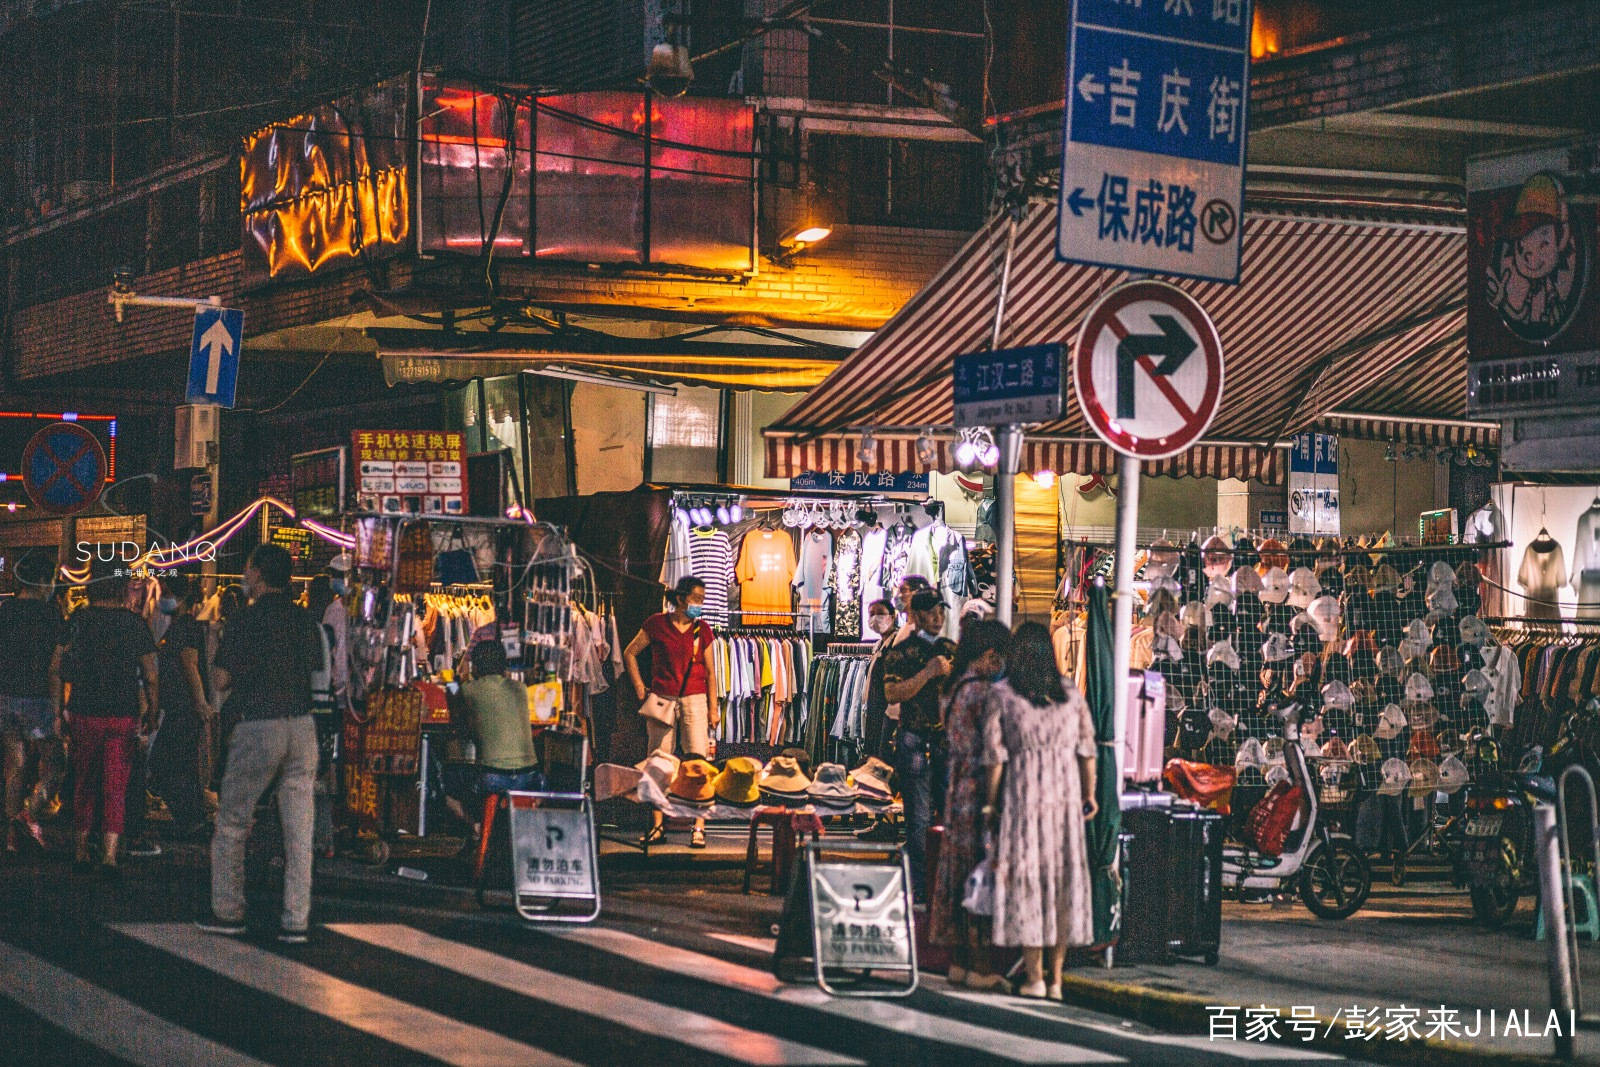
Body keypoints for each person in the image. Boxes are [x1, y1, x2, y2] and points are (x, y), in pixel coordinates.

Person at [197, 544, 323, 943]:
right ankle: (296, 920)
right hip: (303, 726)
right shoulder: (305, 621)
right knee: (299, 831)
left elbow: (220, 681)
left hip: (259, 726)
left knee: (233, 821)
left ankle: (229, 911)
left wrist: (214, 643)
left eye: (248, 570)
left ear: (258, 575)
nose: (244, 577)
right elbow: (317, 675)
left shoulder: (245, 621)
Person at [983, 621, 1098, 1000]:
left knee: (1029, 882)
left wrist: (991, 802)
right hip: (1064, 799)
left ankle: (1033, 976)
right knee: (1062, 883)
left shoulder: (1002, 695)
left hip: (1023, 796)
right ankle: (1057, 979)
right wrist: (1090, 794)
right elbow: (1087, 750)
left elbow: (995, 757)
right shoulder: (1069, 695)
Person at [930, 617, 1011, 991]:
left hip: (956, 788)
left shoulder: (952, 687)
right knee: (981, 874)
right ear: (990, 655)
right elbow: (995, 751)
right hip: (980, 790)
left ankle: (959, 960)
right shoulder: (985, 693)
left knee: (959, 873)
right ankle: (980, 965)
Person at [58, 574, 158, 877]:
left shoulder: (79, 620)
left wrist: (59, 707)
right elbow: (151, 674)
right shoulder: (134, 623)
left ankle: (80, 850)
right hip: (122, 711)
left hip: (85, 709)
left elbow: (58, 666)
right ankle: (110, 855)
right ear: (121, 588)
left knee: (84, 781)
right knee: (116, 784)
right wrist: (152, 709)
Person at [622, 575, 719, 848]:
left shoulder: (703, 630)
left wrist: (714, 707)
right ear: (680, 599)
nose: (700, 604)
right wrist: (640, 687)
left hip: (695, 700)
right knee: (658, 763)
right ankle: (657, 825)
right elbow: (630, 652)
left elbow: (711, 673)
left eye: (702, 599)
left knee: (698, 764)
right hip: (662, 699)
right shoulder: (656, 624)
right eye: (696, 599)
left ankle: (698, 826)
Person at [881, 587, 956, 901]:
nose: (938, 618)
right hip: (914, 738)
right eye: (931, 612)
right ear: (917, 616)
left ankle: (944, 886)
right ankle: (919, 890)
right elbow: (892, 694)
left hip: (947, 740)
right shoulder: (900, 652)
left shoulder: (952, 649)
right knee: (918, 819)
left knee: (950, 813)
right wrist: (927, 673)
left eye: (941, 612)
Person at [0, 550, 64, 854]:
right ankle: (30, 813)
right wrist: (57, 708)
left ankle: (12, 835)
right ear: (41, 581)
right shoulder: (51, 614)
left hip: (5, 697)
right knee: (55, 763)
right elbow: (56, 665)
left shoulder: (5, 610)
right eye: (51, 580)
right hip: (37, 697)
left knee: (15, 766)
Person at [147, 574, 212, 839]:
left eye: (165, 593)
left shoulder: (185, 626)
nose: (162, 599)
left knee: (166, 763)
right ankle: (192, 819)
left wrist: (200, 702)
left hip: (184, 708)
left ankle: (191, 818)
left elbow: (190, 665)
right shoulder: (178, 626)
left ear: (180, 597)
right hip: (178, 706)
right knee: (180, 764)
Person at [461, 640, 541, 820]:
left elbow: (453, 696)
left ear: (476, 665)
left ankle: (476, 829)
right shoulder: (519, 688)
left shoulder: (469, 689)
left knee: (452, 782)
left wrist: (453, 681)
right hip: (529, 775)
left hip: (493, 777)